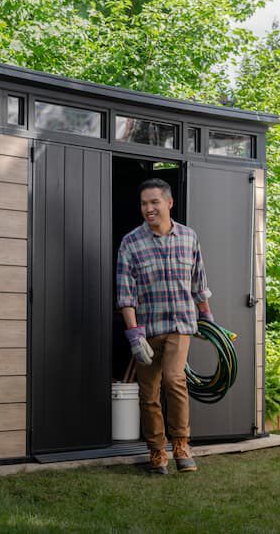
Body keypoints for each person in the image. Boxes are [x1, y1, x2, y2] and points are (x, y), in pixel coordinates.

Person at [116, 178, 213, 474]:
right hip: (147, 330)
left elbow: (199, 283)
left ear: (169, 203)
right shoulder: (131, 242)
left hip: (181, 324)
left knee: (174, 380)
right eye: (144, 203)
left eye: (154, 202)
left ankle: (181, 444)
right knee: (148, 395)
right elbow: (125, 293)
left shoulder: (188, 237)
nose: (149, 208)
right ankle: (157, 451)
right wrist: (134, 334)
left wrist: (207, 317)